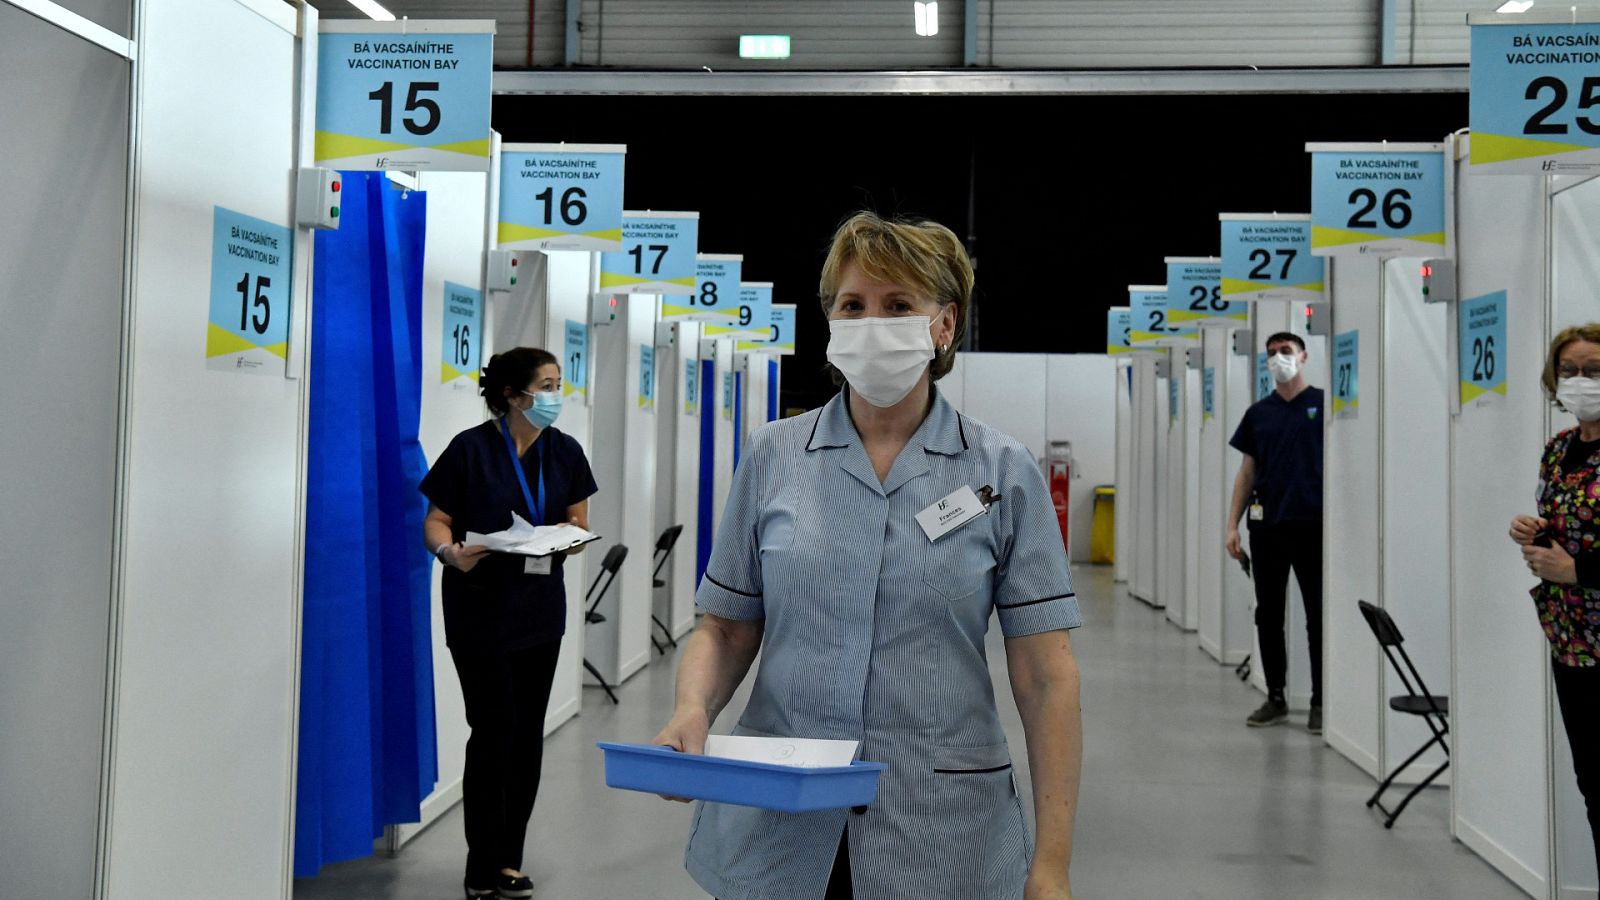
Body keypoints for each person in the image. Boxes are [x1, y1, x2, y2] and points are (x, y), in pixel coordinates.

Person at [652, 211, 1084, 900]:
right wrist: (691, 706)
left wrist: (1053, 864)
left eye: (898, 305)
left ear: (944, 327)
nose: (870, 322)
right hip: (783, 809)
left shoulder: (1000, 473)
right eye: (852, 304)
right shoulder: (772, 458)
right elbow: (726, 625)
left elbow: (1046, 677)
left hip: (941, 823)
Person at [418, 347, 597, 900]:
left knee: (525, 738)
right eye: (546, 386)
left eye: (558, 384)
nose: (556, 396)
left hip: (540, 611)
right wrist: (449, 553)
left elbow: (578, 518)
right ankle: (481, 865)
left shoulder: (565, 452)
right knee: (493, 730)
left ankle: (508, 860)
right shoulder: (470, 450)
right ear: (514, 396)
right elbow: (437, 521)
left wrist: (566, 534)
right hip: (478, 609)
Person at [1509, 324, 1600, 875]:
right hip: (1572, 642)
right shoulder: (1559, 449)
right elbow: (1567, 524)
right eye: (1569, 371)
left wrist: (1579, 568)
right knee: (1593, 784)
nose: (1580, 381)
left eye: (1594, 370)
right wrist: (1534, 531)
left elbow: (1580, 558)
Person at [1225, 332, 1325, 733]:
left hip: (1313, 527)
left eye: (1285, 352)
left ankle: (1320, 701)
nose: (1279, 359)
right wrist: (1232, 524)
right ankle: (1276, 696)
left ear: (1303, 356)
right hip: (1267, 529)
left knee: (1317, 615)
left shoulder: (1322, 405)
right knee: (1268, 614)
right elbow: (1247, 471)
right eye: (1271, 354)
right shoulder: (1258, 414)